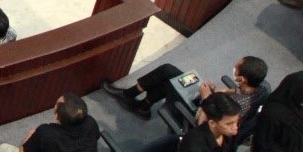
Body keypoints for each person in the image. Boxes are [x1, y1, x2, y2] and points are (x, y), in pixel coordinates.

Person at [104, 55, 270, 124]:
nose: (233, 69)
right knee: (169, 72)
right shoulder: (262, 86)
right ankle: (142, 105)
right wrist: (217, 91)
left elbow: (206, 124)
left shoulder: (235, 107)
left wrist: (206, 98)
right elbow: (239, 91)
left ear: (242, 79)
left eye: (236, 69)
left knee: (171, 81)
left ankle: (131, 96)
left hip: (200, 113)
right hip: (214, 101)